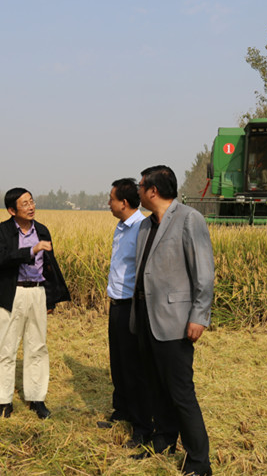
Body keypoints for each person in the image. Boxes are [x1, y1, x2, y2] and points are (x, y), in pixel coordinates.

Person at [130, 165, 214, 476]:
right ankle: (164, 440)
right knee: (155, 387)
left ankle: (199, 463)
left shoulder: (189, 219)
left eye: (141, 186)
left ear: (153, 191)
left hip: (176, 321)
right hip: (146, 318)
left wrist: (199, 316)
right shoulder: (145, 226)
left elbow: (204, 273)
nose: (138, 192)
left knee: (181, 394)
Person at [0, 188, 70, 419]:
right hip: (11, 293)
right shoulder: (1, 231)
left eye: (32, 201)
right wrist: (32, 250)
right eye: (25, 204)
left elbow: (49, 267)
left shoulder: (42, 230)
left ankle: (36, 398)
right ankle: (3, 401)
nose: (31, 207)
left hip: (37, 293)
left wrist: (50, 298)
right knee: (4, 347)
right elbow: (2, 258)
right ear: (12, 210)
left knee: (37, 346)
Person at [98, 178, 152, 446]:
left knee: (134, 367)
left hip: (132, 305)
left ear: (124, 203)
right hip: (116, 303)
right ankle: (121, 411)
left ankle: (141, 427)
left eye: (112, 199)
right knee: (118, 362)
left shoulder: (143, 228)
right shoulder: (121, 227)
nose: (108, 203)